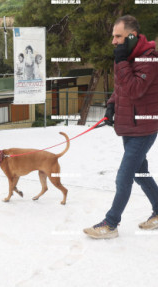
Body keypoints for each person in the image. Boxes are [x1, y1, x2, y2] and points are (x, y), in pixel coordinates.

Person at [83, 15, 158, 239]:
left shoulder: (150, 58)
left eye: (118, 36)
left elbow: (135, 88)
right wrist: (111, 106)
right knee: (139, 173)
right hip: (129, 126)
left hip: (145, 127)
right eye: (113, 36)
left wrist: (121, 61)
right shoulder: (129, 56)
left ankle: (111, 223)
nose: (113, 41)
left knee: (123, 176)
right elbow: (121, 88)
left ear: (132, 36)